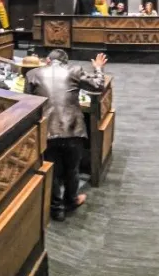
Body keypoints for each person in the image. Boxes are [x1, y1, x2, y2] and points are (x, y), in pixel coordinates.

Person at [25, 49, 107, 222]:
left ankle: (56, 210)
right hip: (73, 129)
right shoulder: (75, 70)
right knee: (72, 168)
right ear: (65, 62)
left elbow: (28, 102)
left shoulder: (32, 73)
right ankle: (71, 200)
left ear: (48, 60)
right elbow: (98, 86)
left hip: (47, 130)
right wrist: (98, 68)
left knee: (52, 170)